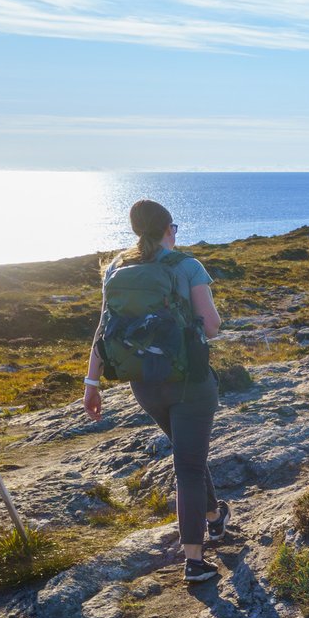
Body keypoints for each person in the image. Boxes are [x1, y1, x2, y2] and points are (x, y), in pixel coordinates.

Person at [84, 199, 228, 584]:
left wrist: (92, 382)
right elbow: (212, 327)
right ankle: (194, 560)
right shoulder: (186, 266)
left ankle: (215, 517)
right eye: (174, 227)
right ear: (169, 229)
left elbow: (104, 328)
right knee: (189, 466)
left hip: (143, 384)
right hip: (189, 382)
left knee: (188, 456)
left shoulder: (117, 268)